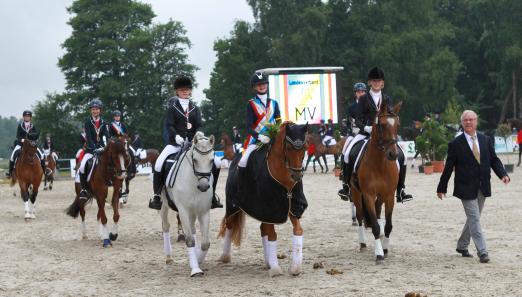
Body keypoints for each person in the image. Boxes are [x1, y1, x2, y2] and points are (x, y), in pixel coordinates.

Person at [437, 110, 510, 263]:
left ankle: (462, 245)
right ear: (462, 123)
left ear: (476, 121)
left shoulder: (485, 139)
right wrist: (441, 187)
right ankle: (483, 252)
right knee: (475, 219)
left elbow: (494, 160)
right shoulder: (455, 144)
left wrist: (503, 174)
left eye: (471, 120)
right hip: (465, 187)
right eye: (465, 120)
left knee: (473, 218)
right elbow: (449, 167)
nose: (468, 122)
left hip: (483, 186)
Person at [149, 76, 223, 210]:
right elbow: (170, 125)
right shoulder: (172, 108)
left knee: (217, 162)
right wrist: (176, 136)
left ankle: (212, 195)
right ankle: (157, 196)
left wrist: (198, 134)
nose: (184, 91)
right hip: (175, 143)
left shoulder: (195, 108)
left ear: (190, 91)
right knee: (159, 163)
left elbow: (199, 125)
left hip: (193, 144)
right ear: (177, 91)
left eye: (187, 89)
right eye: (181, 90)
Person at [343, 67, 413, 203]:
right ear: (370, 82)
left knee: (402, 157)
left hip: (384, 135)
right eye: (374, 81)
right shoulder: (363, 99)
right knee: (347, 154)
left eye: (379, 81)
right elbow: (357, 119)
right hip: (365, 133)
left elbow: (391, 115)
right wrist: (366, 127)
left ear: (382, 83)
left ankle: (400, 190)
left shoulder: (386, 98)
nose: (376, 83)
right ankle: (346, 186)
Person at [238, 71, 281, 172]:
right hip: (256, 141)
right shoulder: (251, 104)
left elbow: (279, 121)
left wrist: (274, 132)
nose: (262, 86)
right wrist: (260, 137)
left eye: (264, 83)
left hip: (273, 139)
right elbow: (248, 128)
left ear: (267, 85)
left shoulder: (274, 103)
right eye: (259, 84)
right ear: (254, 87)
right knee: (242, 162)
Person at [338, 82, 366, 200]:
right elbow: (348, 123)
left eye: (362, 91)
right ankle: (345, 184)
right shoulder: (351, 107)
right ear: (355, 93)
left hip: (370, 134)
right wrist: (347, 130)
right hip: (356, 134)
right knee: (346, 153)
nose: (360, 93)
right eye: (358, 92)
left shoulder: (370, 105)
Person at [78, 98, 110, 199]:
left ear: (100, 110)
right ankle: (83, 189)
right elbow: (89, 137)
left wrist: (104, 146)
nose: (95, 111)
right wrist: (93, 147)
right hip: (90, 150)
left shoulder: (104, 122)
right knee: (82, 166)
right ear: (91, 110)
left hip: (102, 149)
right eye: (93, 109)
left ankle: (112, 183)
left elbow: (106, 136)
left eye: (97, 109)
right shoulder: (88, 122)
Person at [6, 110, 45, 178]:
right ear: (23, 117)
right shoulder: (20, 125)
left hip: (31, 145)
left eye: (28, 116)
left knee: (41, 155)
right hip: (21, 144)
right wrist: (22, 139)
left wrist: (33, 139)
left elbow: (35, 135)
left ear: (30, 118)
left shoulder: (33, 126)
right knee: (13, 155)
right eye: (26, 116)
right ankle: (10, 172)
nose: (27, 118)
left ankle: (45, 171)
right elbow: (17, 135)